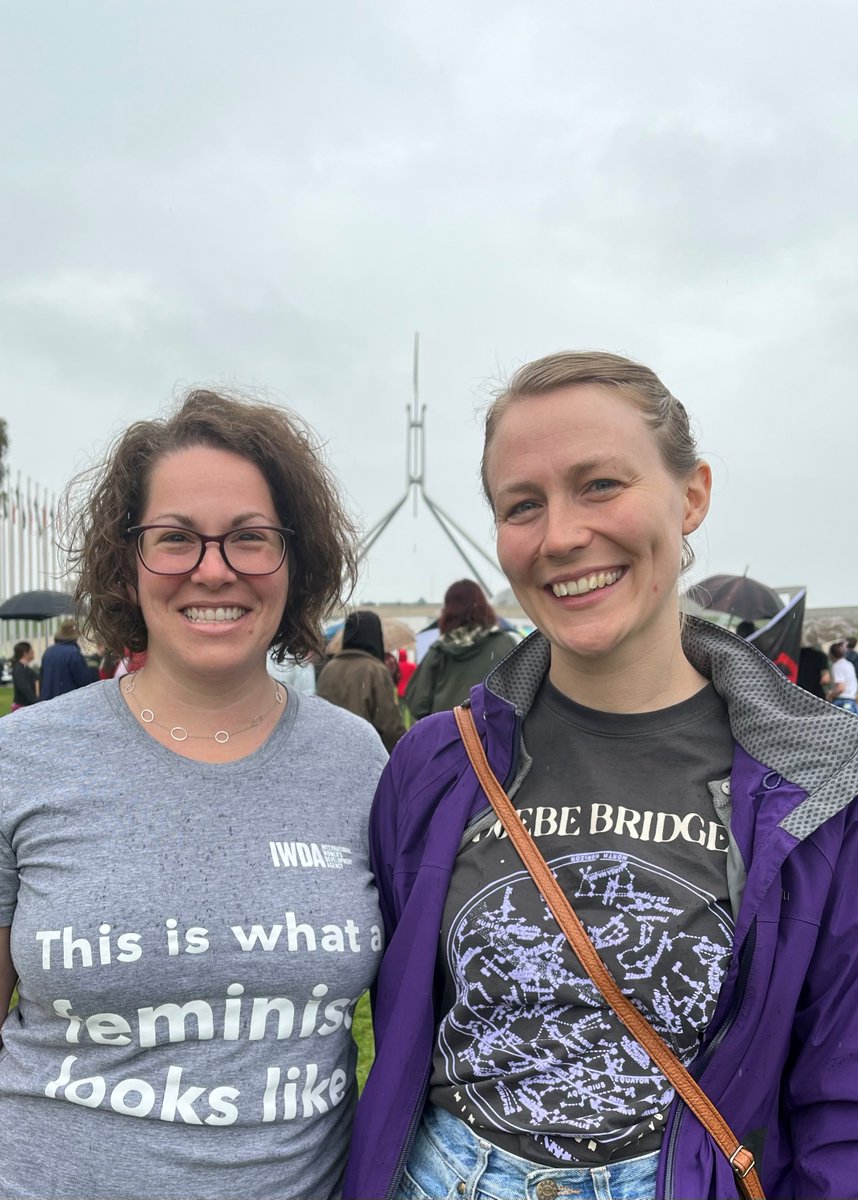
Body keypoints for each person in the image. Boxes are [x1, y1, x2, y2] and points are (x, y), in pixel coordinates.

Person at [345, 351, 858, 1200]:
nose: (560, 535)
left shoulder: (815, 786)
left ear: (692, 494)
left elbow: (856, 1098)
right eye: (523, 504)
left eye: (600, 485)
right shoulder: (437, 766)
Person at [0, 390, 387, 1200]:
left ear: (296, 558)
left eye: (251, 538)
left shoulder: (357, 759)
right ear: (126, 559)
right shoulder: (22, 757)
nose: (215, 569)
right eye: (174, 539)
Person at [404, 580, 517, 719]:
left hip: (448, 735)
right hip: (495, 735)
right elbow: (522, 695)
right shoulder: (506, 644)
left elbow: (417, 703)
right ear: (483, 606)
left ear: (448, 610)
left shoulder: (439, 651)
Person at [317, 610, 406, 752]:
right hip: (366, 754)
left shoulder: (329, 669)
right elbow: (389, 726)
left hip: (330, 751)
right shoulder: (376, 670)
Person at [38, 617, 94, 700]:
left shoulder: (48, 652)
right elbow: (84, 682)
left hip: (47, 702)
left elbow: (42, 680)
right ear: (75, 637)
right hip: (67, 702)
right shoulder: (73, 653)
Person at [827, 640, 858, 713]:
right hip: (852, 701)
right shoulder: (849, 664)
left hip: (842, 701)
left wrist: (831, 694)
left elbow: (841, 688)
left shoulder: (837, 666)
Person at [10, 641, 39, 710]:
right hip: (22, 708)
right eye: (31, 650)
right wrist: (37, 702)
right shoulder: (19, 669)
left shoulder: (25, 668)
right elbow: (24, 688)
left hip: (27, 706)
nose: (33, 652)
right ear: (25, 653)